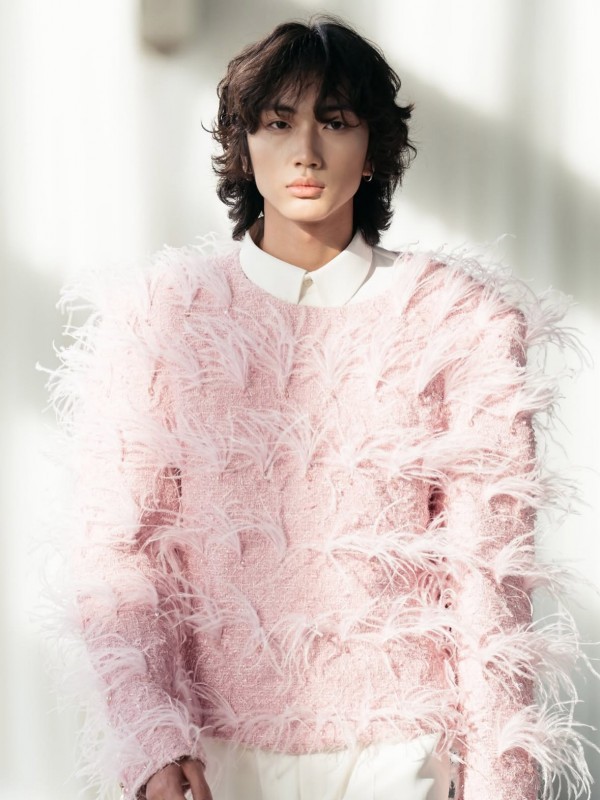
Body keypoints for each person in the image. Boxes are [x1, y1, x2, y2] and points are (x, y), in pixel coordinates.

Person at [41, 14, 596, 800]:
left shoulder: (458, 320)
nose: (306, 150)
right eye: (278, 122)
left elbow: (487, 573)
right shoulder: (162, 318)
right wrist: (150, 738)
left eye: (334, 121)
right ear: (243, 147)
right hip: (213, 754)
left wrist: (503, 776)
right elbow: (120, 551)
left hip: (403, 751)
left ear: (373, 150)